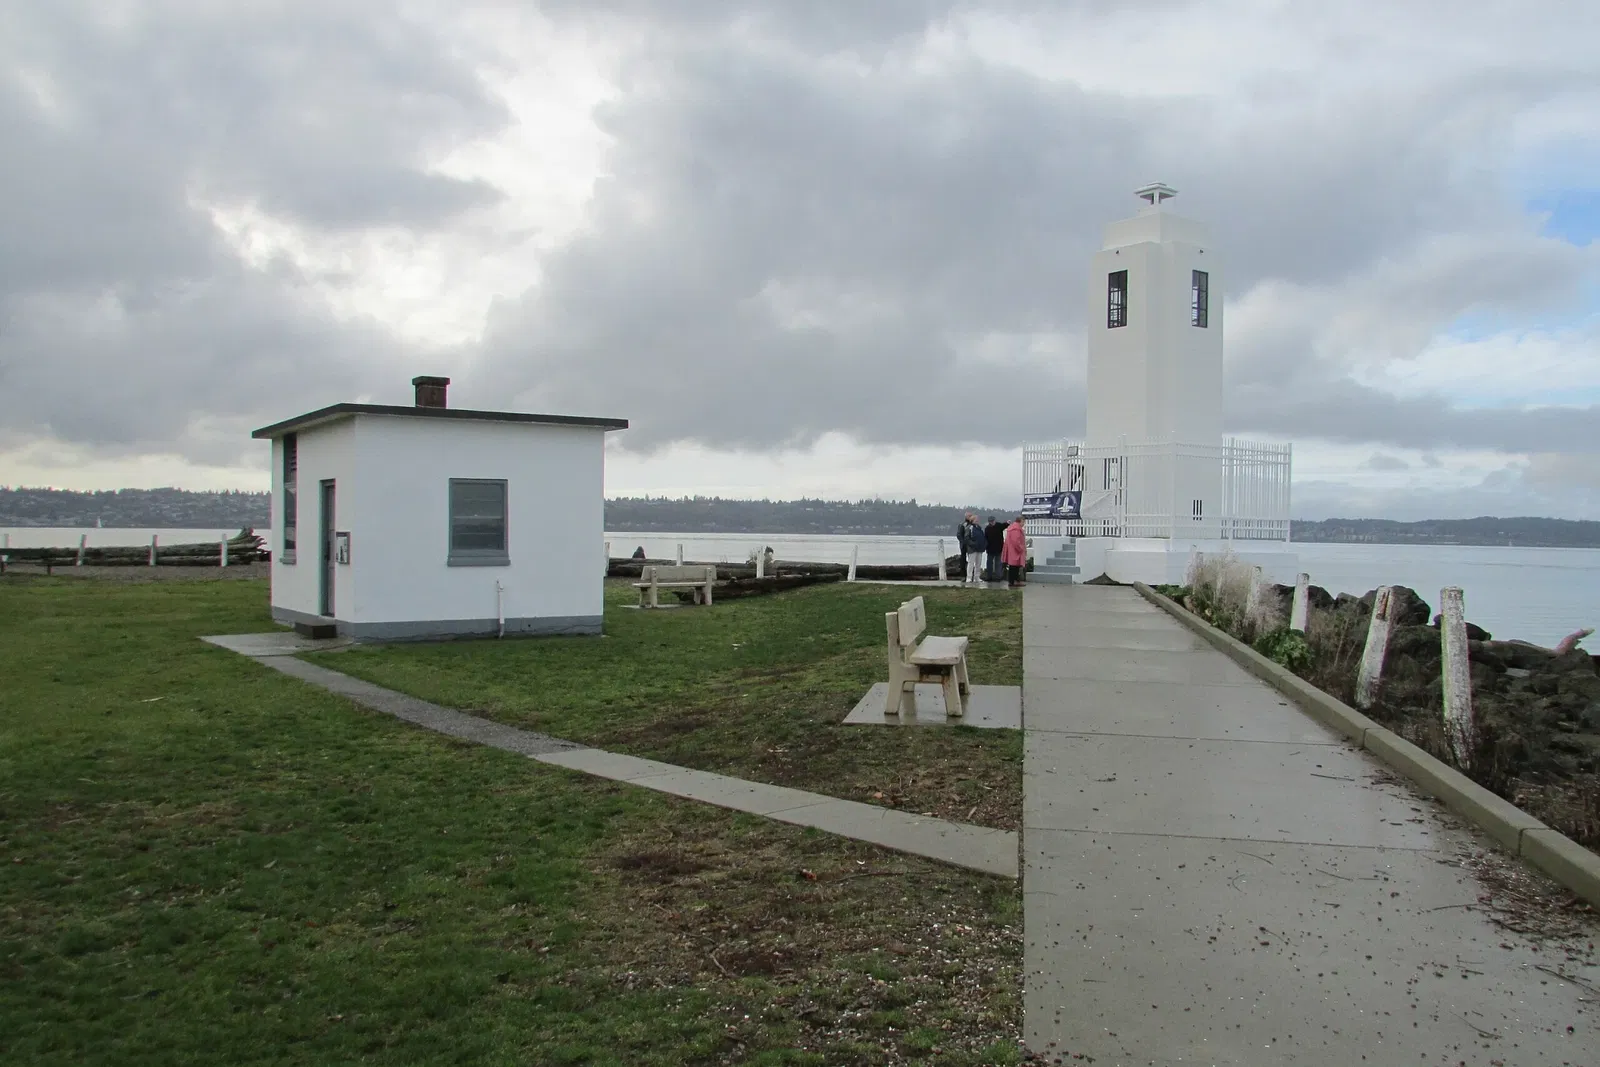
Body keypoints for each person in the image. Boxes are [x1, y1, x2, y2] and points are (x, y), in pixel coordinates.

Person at [1002, 516, 1027, 588]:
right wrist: (1021, 548)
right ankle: (1013, 581)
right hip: (1015, 551)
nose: (1024, 524)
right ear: (1020, 521)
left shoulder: (1012, 528)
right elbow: (1016, 541)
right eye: (1023, 522)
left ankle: (1014, 580)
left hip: (1012, 550)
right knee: (1014, 567)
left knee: (1014, 566)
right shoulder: (1016, 529)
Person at [960, 512, 984, 584]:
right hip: (972, 549)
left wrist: (984, 544)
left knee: (978, 563)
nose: (977, 520)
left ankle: (977, 577)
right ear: (972, 520)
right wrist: (973, 544)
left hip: (979, 548)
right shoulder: (969, 527)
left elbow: (982, 537)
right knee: (971, 563)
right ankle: (969, 577)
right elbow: (966, 538)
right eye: (976, 519)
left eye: (977, 519)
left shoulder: (979, 528)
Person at [984, 517, 1004, 582]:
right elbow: (985, 539)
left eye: (992, 521)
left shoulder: (999, 525)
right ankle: (989, 576)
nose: (991, 522)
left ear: (995, 521)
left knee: (998, 563)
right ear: (988, 522)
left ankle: (998, 577)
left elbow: (1005, 525)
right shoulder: (987, 528)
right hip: (990, 549)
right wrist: (986, 547)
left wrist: (1008, 522)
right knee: (989, 563)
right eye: (990, 521)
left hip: (999, 548)